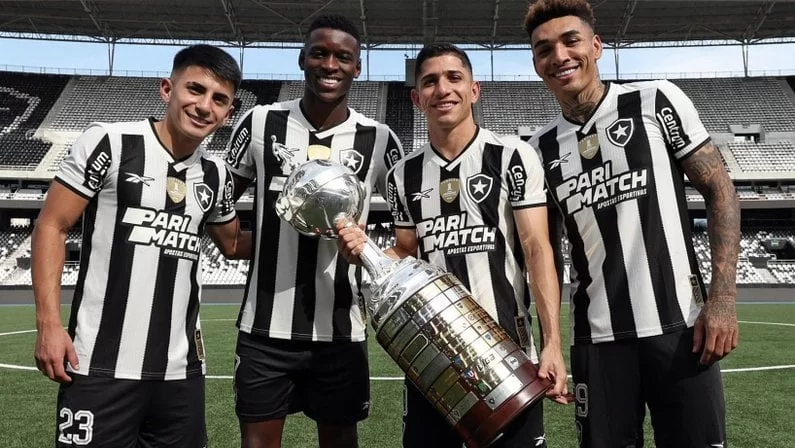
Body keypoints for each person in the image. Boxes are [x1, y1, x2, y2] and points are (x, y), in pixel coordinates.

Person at [523, 1, 741, 447]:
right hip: (597, 342)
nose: (559, 56)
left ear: (596, 46)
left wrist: (721, 302)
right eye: (544, 49)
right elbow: (544, 251)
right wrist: (551, 342)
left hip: (682, 329)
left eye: (571, 41)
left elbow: (720, 190)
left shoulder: (655, 99)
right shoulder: (538, 149)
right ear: (536, 65)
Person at [338, 43, 568, 448]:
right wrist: (365, 252)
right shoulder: (401, 175)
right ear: (416, 97)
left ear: (474, 90)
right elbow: (406, 251)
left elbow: (537, 248)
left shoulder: (512, 155)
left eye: (453, 78)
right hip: (433, 360)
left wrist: (551, 344)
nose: (442, 88)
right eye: (429, 81)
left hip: (509, 355)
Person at [32, 44, 250, 447]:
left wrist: (305, 227)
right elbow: (52, 226)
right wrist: (49, 324)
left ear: (229, 113)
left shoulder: (217, 174)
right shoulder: (109, 142)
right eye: (195, 90)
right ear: (168, 89)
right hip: (98, 364)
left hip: (181, 372)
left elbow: (234, 244)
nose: (204, 106)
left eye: (219, 99)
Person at [223, 14, 404, 448]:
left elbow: (408, 234)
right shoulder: (260, 123)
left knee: (340, 440)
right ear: (302, 59)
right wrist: (238, 243)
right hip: (264, 331)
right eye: (319, 53)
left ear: (357, 67)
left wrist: (367, 251)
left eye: (343, 57)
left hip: (342, 330)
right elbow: (218, 199)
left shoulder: (378, 139)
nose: (330, 64)